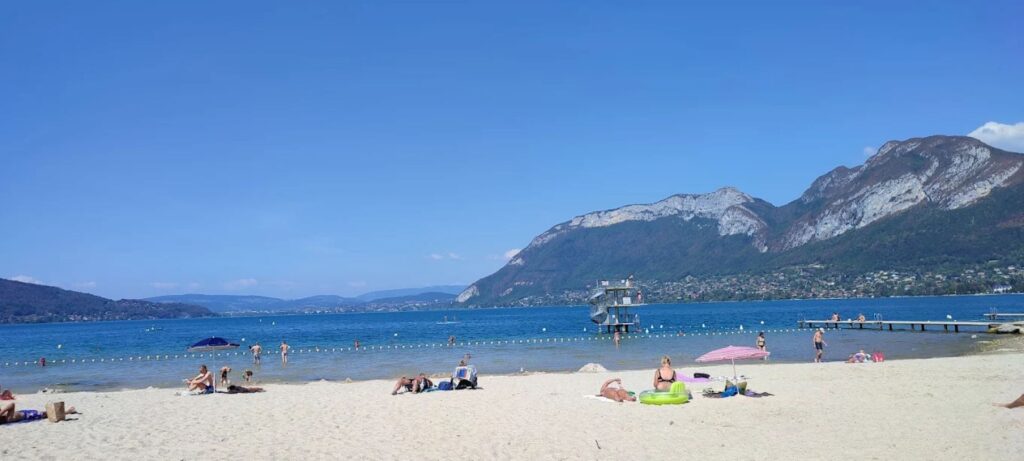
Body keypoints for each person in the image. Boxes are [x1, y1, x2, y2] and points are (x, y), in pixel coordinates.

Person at [0, 402, 77, 424]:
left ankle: (68, 411)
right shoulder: (8, 419)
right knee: (48, 414)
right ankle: (68, 411)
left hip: (25, 412)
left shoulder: (5, 417)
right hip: (28, 416)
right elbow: (12, 404)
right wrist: (1, 412)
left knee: (47, 413)